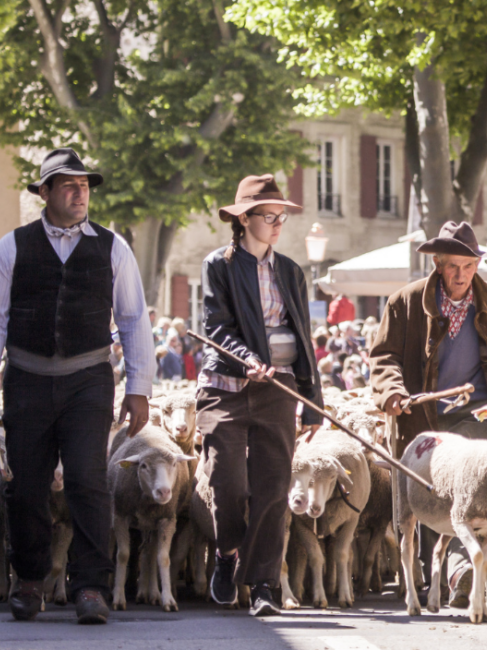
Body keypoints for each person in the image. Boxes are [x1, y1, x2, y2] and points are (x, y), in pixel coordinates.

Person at [0, 148, 154, 624]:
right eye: (67, 184)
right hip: (25, 377)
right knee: (24, 487)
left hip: (88, 378)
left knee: (87, 482)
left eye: (84, 184)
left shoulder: (113, 246)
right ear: (43, 193)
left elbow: (133, 317)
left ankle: (90, 587)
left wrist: (139, 387)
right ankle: (29, 579)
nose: (79, 191)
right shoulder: (11, 246)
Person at [368, 220, 487, 608]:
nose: (461, 275)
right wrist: (392, 392)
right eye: (453, 266)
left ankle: (460, 573)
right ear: (438, 264)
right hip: (421, 416)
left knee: (468, 493)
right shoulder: (404, 302)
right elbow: (384, 358)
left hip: (477, 415)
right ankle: (435, 574)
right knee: (426, 493)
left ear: (477, 266)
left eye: (469, 267)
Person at [196, 174, 323, 617]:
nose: (277, 224)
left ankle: (265, 583)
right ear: (245, 218)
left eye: (281, 216)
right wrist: (246, 359)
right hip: (226, 387)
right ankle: (227, 552)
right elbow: (215, 328)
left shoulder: (289, 270)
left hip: (279, 386)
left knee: (273, 487)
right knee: (226, 480)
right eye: (269, 216)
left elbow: (304, 336)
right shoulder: (219, 264)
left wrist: (313, 397)